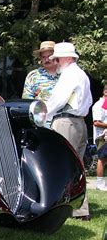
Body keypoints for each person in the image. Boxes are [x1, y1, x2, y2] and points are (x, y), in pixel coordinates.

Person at [46, 42, 93, 220]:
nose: (55, 62)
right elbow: (87, 103)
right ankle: (80, 210)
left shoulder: (69, 75)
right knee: (76, 168)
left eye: (56, 59)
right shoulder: (81, 74)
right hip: (79, 123)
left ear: (66, 58)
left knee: (61, 165)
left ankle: (59, 209)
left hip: (66, 121)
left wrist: (40, 114)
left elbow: (57, 100)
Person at [92, 84, 107, 190]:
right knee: (102, 159)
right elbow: (96, 122)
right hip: (102, 137)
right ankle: (100, 184)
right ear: (105, 92)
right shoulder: (99, 105)